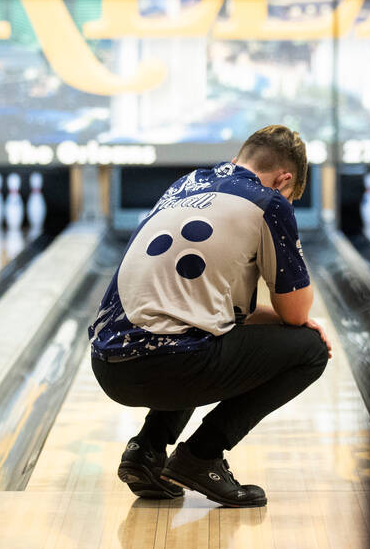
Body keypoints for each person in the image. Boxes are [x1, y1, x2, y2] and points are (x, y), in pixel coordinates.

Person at [89, 125, 331, 507]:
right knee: (311, 348)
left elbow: (226, 313)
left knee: (197, 327)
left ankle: (146, 452)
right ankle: (201, 457)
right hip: (172, 366)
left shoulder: (184, 185)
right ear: (284, 180)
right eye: (289, 193)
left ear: (238, 160)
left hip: (108, 366)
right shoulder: (269, 201)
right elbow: (296, 311)